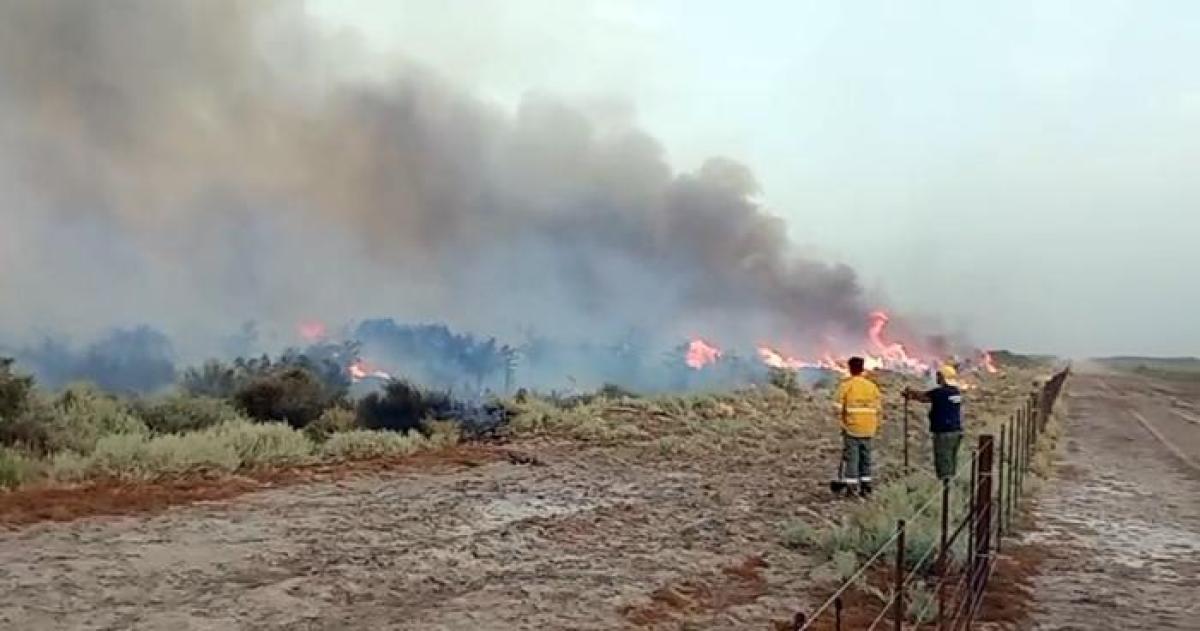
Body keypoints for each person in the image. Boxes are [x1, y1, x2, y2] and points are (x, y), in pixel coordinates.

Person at [832, 356, 882, 497]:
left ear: (850, 368)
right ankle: (866, 486)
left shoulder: (846, 386)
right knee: (866, 458)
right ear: (862, 368)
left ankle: (851, 488)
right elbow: (878, 409)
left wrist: (842, 422)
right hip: (869, 428)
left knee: (852, 459)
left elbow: (837, 408)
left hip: (852, 428)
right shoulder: (872, 386)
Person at [904, 364, 964, 481]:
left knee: (943, 460)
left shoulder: (941, 392)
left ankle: (946, 485)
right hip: (955, 431)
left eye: (939, 375)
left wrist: (910, 393)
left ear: (943, 377)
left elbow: (923, 397)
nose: (937, 378)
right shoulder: (955, 391)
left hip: (944, 433)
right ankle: (950, 483)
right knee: (951, 460)